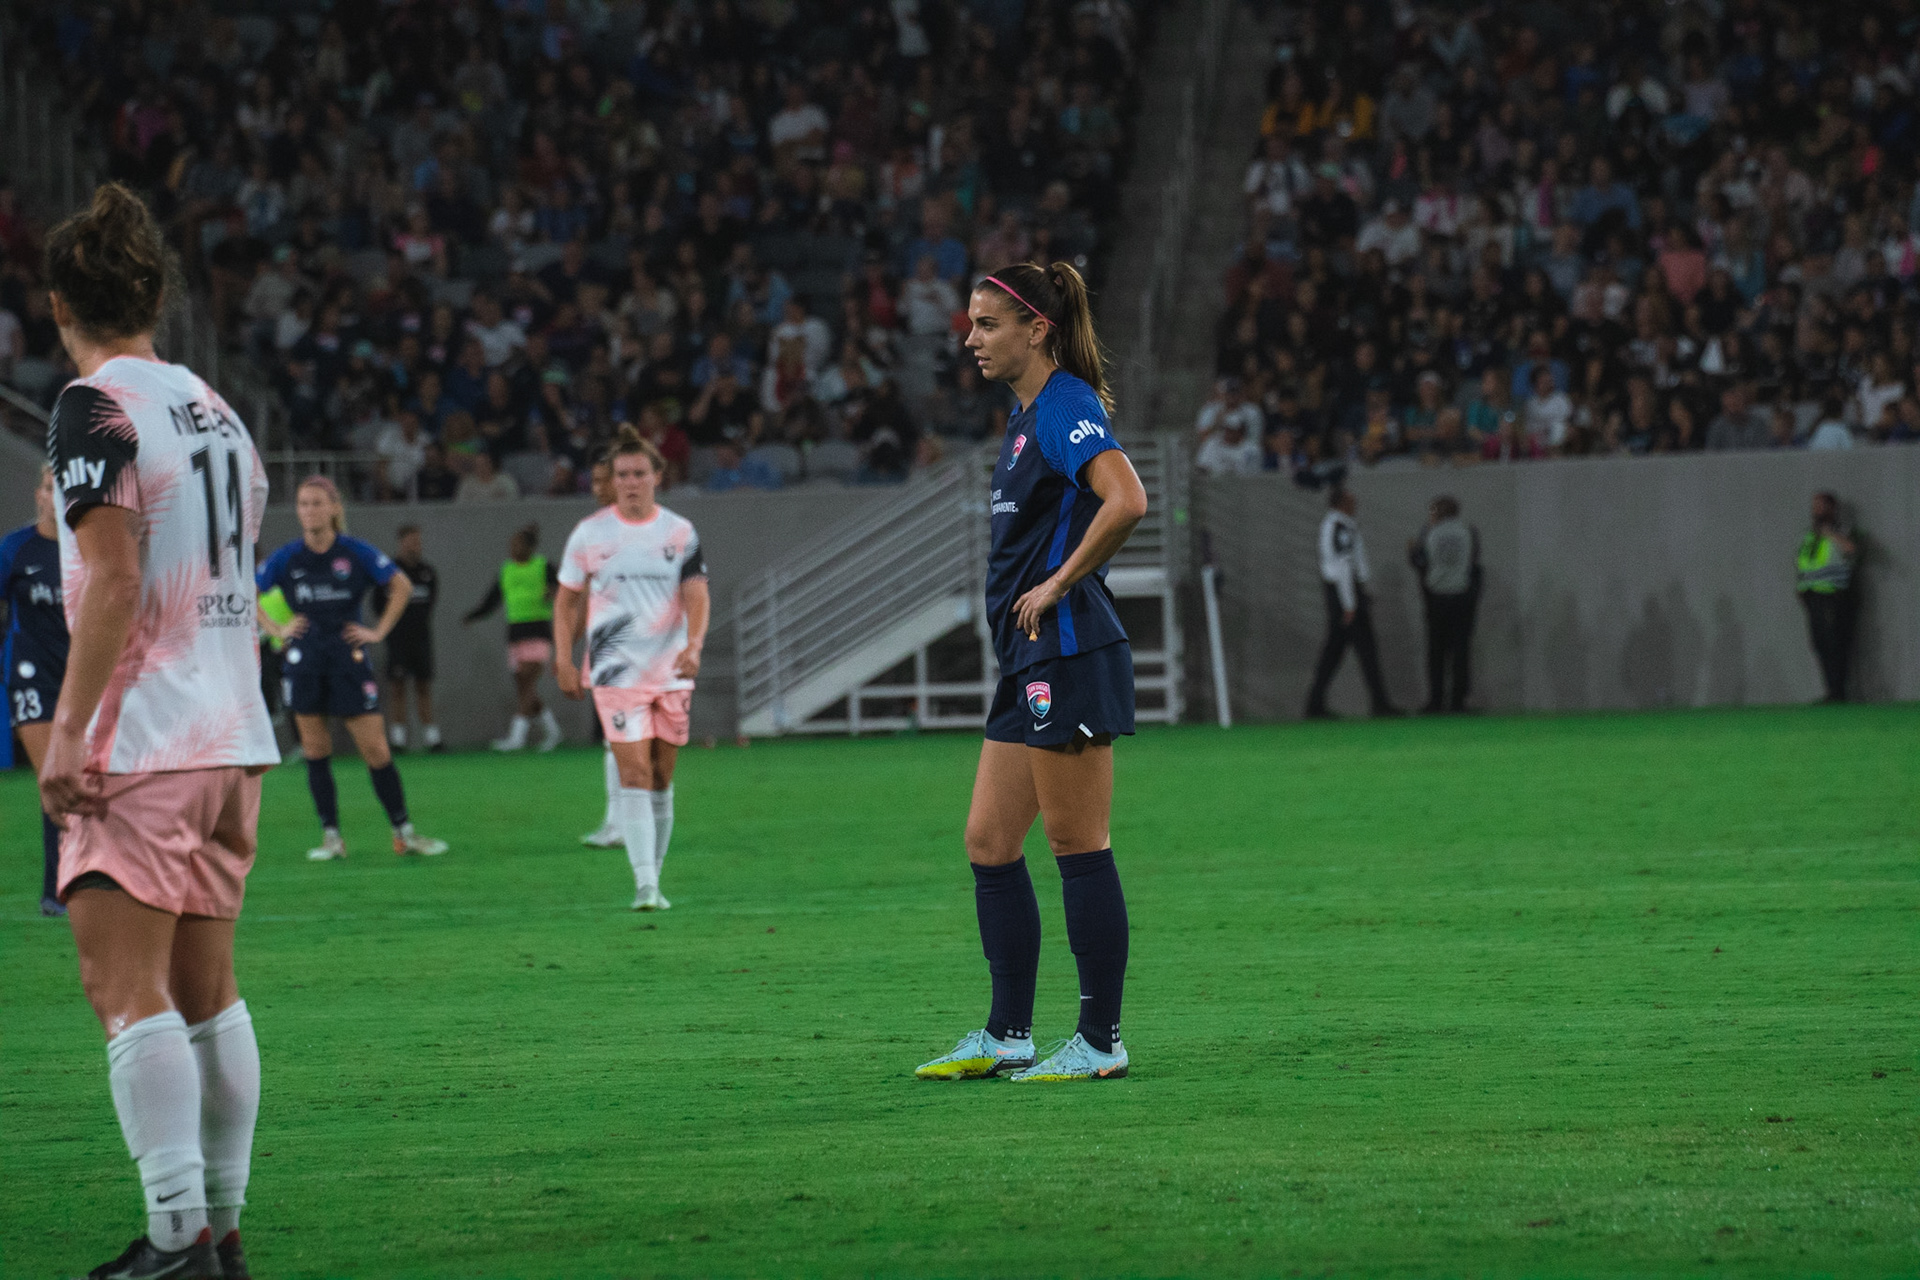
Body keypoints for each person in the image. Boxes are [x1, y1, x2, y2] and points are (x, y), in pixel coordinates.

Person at [37, 182, 279, 1280]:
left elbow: (117, 577)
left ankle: (176, 1238)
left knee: (123, 990)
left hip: (145, 739)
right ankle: (219, 1234)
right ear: (157, 298)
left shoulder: (93, 406)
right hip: (233, 738)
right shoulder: (216, 408)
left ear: (59, 306)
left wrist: (68, 731)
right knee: (207, 995)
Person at [915, 260, 1147, 1085]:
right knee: (988, 840)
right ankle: (1007, 1033)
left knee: (1077, 841)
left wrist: (1057, 584)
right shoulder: (1024, 418)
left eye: (987, 325)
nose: (971, 340)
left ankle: (1100, 1040)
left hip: (1069, 649)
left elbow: (1127, 499)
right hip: (1028, 658)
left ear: (1036, 329)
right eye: (971, 325)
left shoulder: (1064, 405)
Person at [554, 430, 709, 910]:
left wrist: (695, 645)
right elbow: (566, 600)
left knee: (661, 777)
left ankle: (654, 878)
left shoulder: (680, 532)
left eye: (639, 473)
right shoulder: (589, 533)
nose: (630, 482)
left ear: (658, 477)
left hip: (671, 671)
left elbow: (697, 595)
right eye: (622, 474)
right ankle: (645, 886)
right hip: (615, 673)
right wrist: (562, 657)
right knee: (635, 773)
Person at [256, 476, 448, 861]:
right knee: (315, 749)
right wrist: (277, 629)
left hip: (348, 660)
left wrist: (378, 631)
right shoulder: (287, 557)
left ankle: (403, 833)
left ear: (333, 508)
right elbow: (247, 589)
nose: (309, 511)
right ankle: (331, 838)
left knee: (376, 749)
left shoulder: (355, 551)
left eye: (316, 503)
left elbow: (400, 585)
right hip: (305, 661)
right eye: (303, 504)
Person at [4, 466, 70, 916]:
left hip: (84, 675)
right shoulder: (15, 549)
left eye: (64, 488)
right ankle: (55, 891)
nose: (57, 496)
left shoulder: (90, 549)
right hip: (32, 675)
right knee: (54, 777)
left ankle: (93, 881)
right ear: (38, 496)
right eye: (50, 488)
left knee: (92, 780)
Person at [464, 522, 563, 752]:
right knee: (524, 687)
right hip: (516, 634)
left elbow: (560, 588)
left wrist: (551, 592)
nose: (512, 549)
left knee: (528, 681)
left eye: (517, 544)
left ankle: (516, 737)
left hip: (538, 632)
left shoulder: (543, 566)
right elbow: (492, 599)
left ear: (529, 547)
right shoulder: (506, 569)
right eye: (511, 544)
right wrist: (474, 616)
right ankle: (553, 731)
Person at [1304, 489, 1401, 719]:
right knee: (1366, 651)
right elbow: (1344, 566)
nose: (1355, 505)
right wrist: (1350, 603)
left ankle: (1315, 704)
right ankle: (1379, 703)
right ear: (1341, 503)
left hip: (1341, 593)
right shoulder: (1340, 527)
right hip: (1344, 594)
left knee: (1333, 654)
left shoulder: (1337, 525)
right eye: (1351, 502)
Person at [578, 455, 626, 849]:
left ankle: (623, 824)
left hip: (635, 646)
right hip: (605, 645)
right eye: (593, 481)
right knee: (616, 739)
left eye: (602, 480)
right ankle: (617, 823)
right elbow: (583, 591)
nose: (596, 489)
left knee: (626, 740)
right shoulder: (592, 532)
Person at [1408, 496, 1481, 713]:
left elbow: (1420, 561)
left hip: (1437, 597)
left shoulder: (1429, 532)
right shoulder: (1468, 531)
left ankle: (1436, 700)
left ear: (1438, 513)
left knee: (1436, 652)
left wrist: (1412, 551)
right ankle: (1458, 701)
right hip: (1461, 596)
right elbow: (1473, 562)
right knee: (1460, 651)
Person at [375, 524, 442, 752]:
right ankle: (398, 740)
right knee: (398, 688)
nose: (415, 545)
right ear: (401, 542)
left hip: (421, 639)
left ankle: (432, 739)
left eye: (418, 541)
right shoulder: (389, 573)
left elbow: (430, 603)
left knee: (423, 687)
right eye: (411, 541)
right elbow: (378, 605)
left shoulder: (428, 572)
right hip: (398, 640)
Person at [1796, 491, 1860, 703]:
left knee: (1834, 643)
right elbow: (1804, 562)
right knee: (1820, 643)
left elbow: (1851, 549)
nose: (1816, 511)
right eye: (1814, 506)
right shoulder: (1810, 535)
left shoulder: (1842, 530)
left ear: (1831, 509)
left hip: (1833, 595)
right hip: (1812, 596)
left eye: (1820, 506)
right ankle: (1831, 690)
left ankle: (1839, 692)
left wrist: (1830, 534)